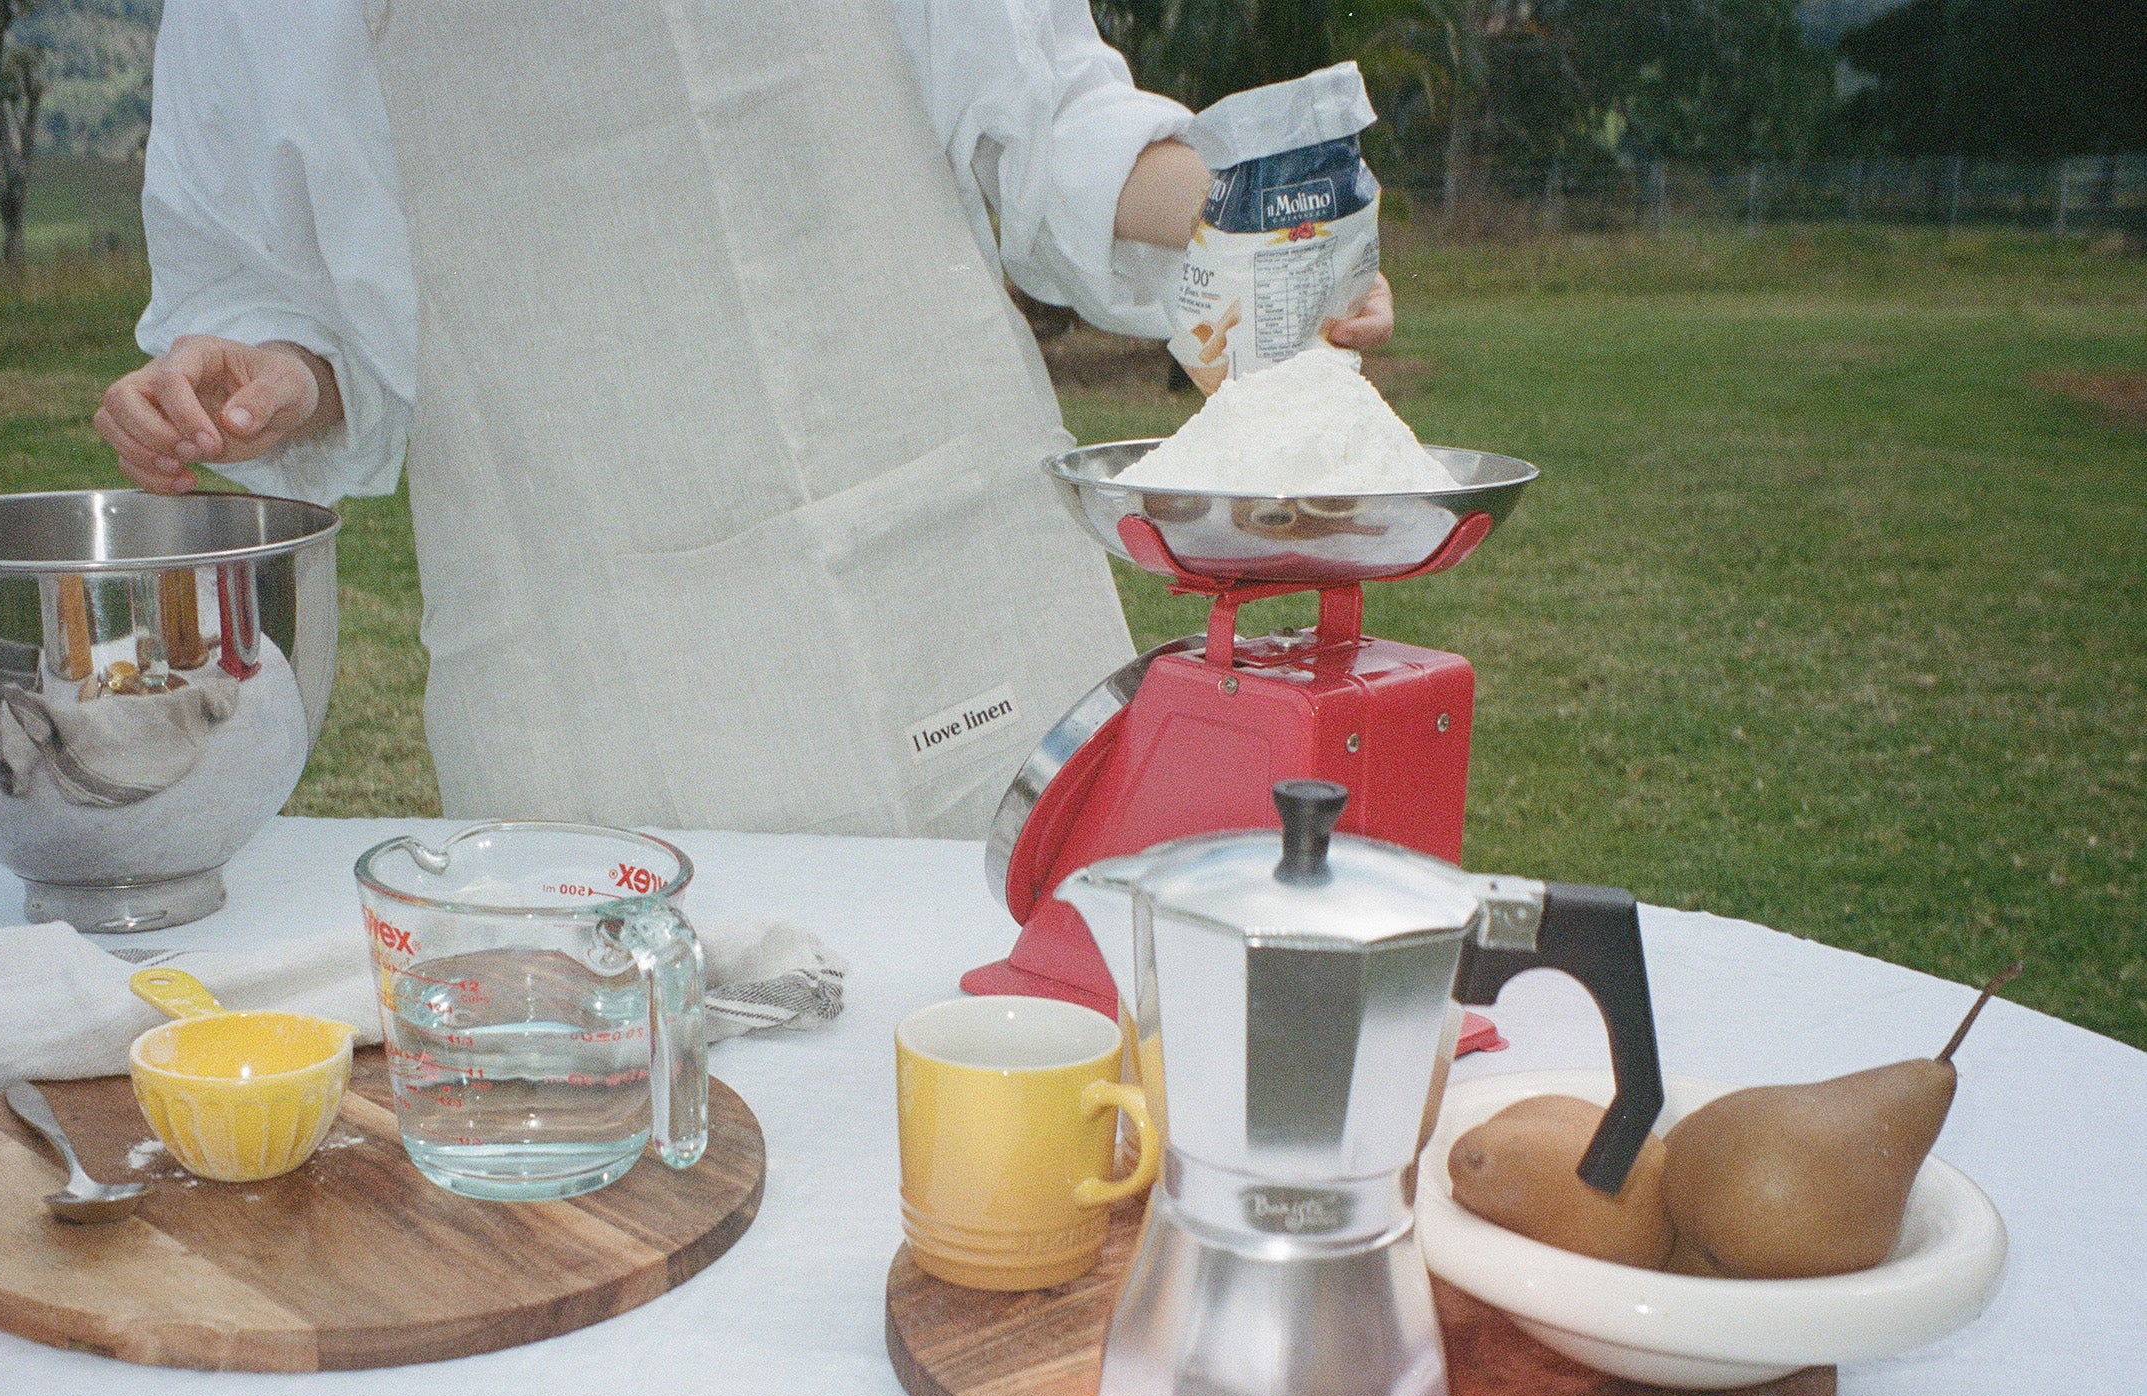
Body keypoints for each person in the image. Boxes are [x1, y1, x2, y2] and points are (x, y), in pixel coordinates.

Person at [98, 2, 1395, 836]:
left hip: (934, 560)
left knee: (1034, 1050)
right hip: (588, 636)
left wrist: (1242, 219)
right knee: (659, 1110)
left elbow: (1041, 116)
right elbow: (283, 277)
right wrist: (270, 374)